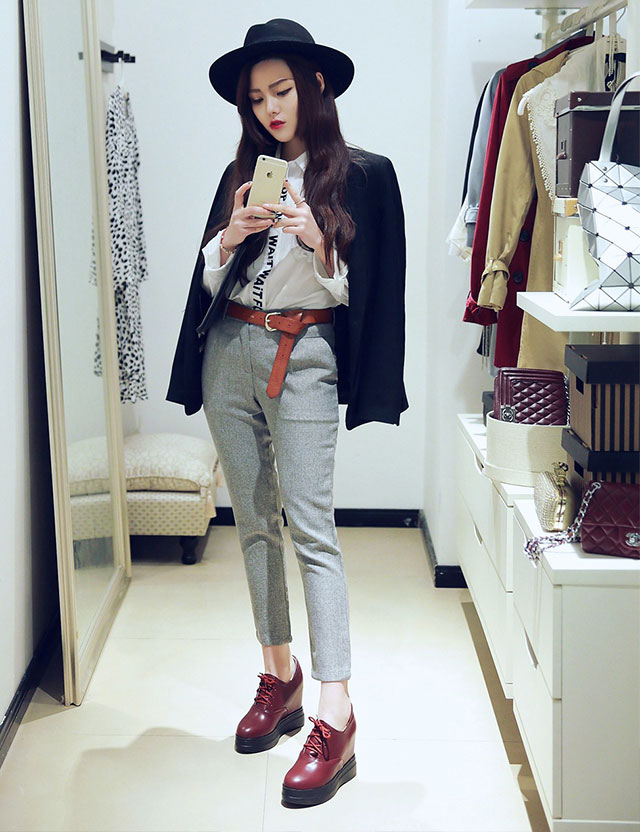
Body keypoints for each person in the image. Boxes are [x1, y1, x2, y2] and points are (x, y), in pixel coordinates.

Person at [166, 18, 408, 808]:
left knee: (311, 527)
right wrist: (225, 239)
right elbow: (210, 282)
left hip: (303, 354)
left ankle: (336, 714)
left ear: (316, 86)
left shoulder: (363, 176)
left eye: (282, 91)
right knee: (253, 522)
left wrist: (316, 242)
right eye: (256, 98)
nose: (270, 109)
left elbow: (372, 292)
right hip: (228, 349)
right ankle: (280, 675)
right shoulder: (243, 173)